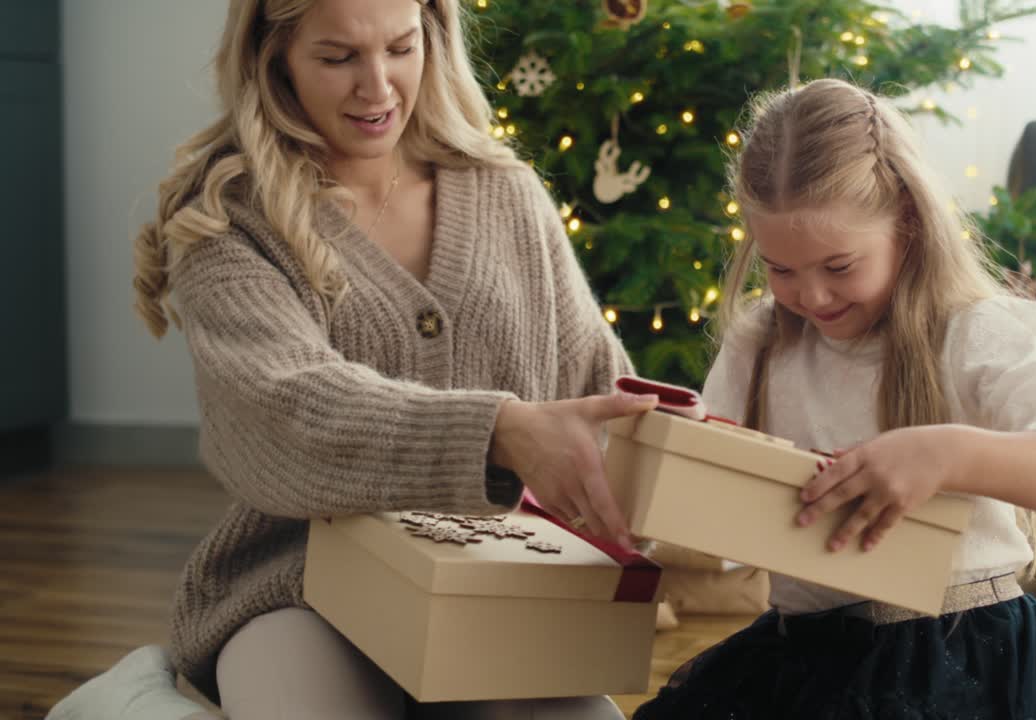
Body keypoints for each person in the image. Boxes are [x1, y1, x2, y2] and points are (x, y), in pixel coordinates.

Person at [47, 0, 654, 718]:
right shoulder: (227, 220)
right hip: (295, 585)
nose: (379, 88)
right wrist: (497, 430)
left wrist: (699, 460)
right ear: (275, 59)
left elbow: (598, 386)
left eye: (400, 48)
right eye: (338, 58)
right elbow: (291, 406)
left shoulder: (506, 193)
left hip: (491, 582)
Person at [633, 78, 1036, 719]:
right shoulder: (763, 340)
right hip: (801, 650)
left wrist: (946, 455)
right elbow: (715, 475)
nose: (811, 297)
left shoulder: (983, 332)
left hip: (957, 652)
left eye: (839, 267)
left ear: (908, 222)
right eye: (781, 269)